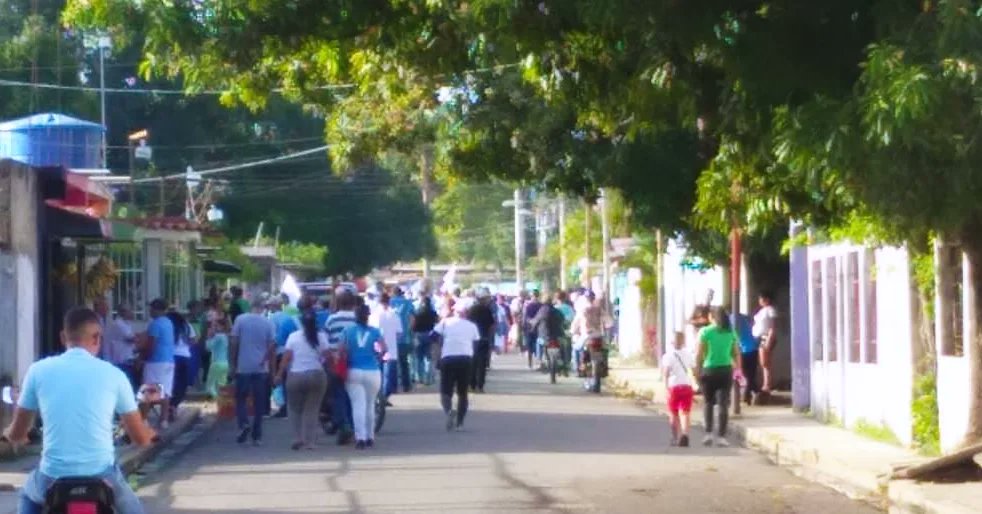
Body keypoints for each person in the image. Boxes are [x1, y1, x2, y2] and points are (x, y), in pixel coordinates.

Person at [4, 307, 156, 514]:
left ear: (63, 337)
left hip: (52, 478)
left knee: (28, 495)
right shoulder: (115, 375)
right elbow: (140, 439)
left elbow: (18, 433)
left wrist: (9, 434)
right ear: (97, 338)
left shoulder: (38, 370)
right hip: (102, 476)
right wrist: (149, 433)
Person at [275, 311, 330, 450]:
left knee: (294, 408)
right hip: (317, 375)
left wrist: (279, 374)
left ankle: (297, 437)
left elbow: (286, 358)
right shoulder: (321, 337)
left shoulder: (293, 337)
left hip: (296, 376)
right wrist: (321, 363)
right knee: (312, 409)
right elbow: (327, 357)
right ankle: (310, 442)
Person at [229, 297, 276, 446]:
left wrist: (233, 364)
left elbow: (234, 343)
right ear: (263, 308)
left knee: (241, 398)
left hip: (243, 367)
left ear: (250, 307)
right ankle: (257, 436)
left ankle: (243, 424)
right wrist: (272, 371)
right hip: (261, 368)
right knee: (259, 402)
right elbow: (272, 348)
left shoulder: (240, 320)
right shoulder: (268, 323)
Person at [695, 306, 742, 447]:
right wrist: (738, 369)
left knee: (708, 403)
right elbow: (736, 353)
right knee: (723, 404)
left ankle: (708, 433)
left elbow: (699, 353)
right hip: (726, 371)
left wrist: (697, 370)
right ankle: (721, 436)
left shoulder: (705, 331)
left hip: (709, 370)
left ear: (712, 317)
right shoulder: (731, 332)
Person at [341, 304, 385, 450]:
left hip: (353, 370)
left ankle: (360, 437)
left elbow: (342, 350)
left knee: (357, 405)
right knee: (370, 404)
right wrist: (377, 357)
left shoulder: (347, 331)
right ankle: (370, 437)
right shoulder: (375, 331)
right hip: (372, 370)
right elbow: (384, 348)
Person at [434, 300, 479, 431]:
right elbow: (476, 343)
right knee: (463, 393)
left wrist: (440, 346)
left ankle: (449, 410)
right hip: (465, 359)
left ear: (454, 311)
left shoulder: (445, 323)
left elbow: (432, 336)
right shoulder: (472, 326)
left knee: (445, 391)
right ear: (467, 313)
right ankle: (460, 423)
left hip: (448, 358)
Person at [324, 288, 358, 445]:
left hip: (336, 362)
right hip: (355, 361)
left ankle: (343, 424)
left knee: (338, 395)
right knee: (353, 396)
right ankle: (352, 425)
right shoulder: (357, 319)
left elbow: (327, 342)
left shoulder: (331, 320)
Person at [141, 299, 175, 429]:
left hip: (155, 361)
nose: (149, 311)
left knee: (148, 391)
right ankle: (163, 420)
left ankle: (144, 420)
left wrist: (144, 356)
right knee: (165, 391)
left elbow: (152, 344)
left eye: (151, 309)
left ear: (156, 309)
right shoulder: (168, 323)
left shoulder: (155, 325)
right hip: (168, 360)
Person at [661, 331, 695, 447]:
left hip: (673, 387)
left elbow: (665, 374)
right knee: (685, 412)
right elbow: (693, 370)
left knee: (673, 414)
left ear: (672, 342)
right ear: (683, 342)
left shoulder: (668, 356)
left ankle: (675, 437)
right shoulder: (689, 354)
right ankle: (685, 434)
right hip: (686, 385)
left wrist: (666, 388)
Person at [268, 296, 298, 418]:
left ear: (273, 306)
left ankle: (284, 407)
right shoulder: (289, 318)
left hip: (279, 352)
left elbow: (272, 338)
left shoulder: (272, 318)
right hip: (291, 351)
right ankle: (290, 406)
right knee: (288, 379)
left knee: (281, 380)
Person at [371, 293, 402, 403]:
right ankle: (384, 397)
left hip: (377, 349)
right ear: (389, 301)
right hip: (391, 349)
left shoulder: (374, 315)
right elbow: (399, 333)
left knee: (378, 374)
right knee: (388, 375)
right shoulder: (394, 314)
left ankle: (378, 397)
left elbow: (371, 332)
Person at [167, 311, 194, 420]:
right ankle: (174, 405)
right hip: (185, 356)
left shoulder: (169, 326)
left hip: (172, 357)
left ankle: (169, 405)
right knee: (182, 384)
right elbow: (193, 340)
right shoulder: (187, 326)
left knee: (172, 382)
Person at [467, 293, 496, 393]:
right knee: (482, 364)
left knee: (473, 362)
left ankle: (471, 385)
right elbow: (492, 324)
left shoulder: (471, 310)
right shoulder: (487, 310)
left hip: (473, 339)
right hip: (484, 338)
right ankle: (480, 385)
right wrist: (490, 336)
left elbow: (467, 323)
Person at [389, 288, 415, 391]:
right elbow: (412, 319)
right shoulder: (408, 303)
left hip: (391, 337)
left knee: (392, 364)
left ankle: (393, 386)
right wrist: (409, 330)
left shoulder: (389, 302)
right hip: (404, 337)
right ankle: (406, 385)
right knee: (404, 363)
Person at [103, 304, 137, 382]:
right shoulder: (119, 324)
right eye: (130, 311)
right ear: (123, 313)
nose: (132, 313)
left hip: (125, 360)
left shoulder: (126, 324)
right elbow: (132, 338)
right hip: (120, 362)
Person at [733, 311, 761, 405]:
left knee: (743, 374)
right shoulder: (745, 317)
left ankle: (748, 395)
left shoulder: (730, 319)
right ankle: (750, 394)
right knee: (750, 374)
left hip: (743, 350)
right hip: (753, 347)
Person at [754, 292, 779, 394]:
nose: (760, 301)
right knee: (763, 362)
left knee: (765, 362)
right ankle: (766, 383)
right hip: (759, 336)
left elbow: (773, 327)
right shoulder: (761, 311)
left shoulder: (770, 310)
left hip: (766, 337)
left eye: (762, 299)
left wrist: (769, 338)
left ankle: (767, 384)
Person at [412, 296, 439, 386]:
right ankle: (428, 378)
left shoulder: (417, 312)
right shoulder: (433, 312)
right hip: (430, 334)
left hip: (419, 335)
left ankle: (420, 378)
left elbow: (413, 325)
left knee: (419, 357)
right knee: (428, 357)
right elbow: (437, 322)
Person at [204, 318, 230, 399]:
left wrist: (208, 337)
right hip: (225, 363)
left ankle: (216, 399)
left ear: (222, 327)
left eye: (216, 326)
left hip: (216, 363)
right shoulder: (226, 336)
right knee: (221, 384)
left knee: (210, 385)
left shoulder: (218, 336)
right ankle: (222, 400)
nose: (213, 328)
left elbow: (208, 347)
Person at [523, 291, 543, 369]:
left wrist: (525, 326)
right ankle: (539, 363)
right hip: (539, 327)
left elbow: (525, 318)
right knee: (538, 345)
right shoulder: (541, 305)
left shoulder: (528, 306)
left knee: (530, 346)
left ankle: (530, 364)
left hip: (530, 328)